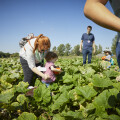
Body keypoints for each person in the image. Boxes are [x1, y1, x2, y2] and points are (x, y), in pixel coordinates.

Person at [84, 0, 120, 71]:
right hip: (85, 48)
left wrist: (94, 48)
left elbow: (93, 42)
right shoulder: (84, 35)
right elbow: (91, 6)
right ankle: (85, 66)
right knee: (85, 58)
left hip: (90, 49)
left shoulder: (92, 35)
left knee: (90, 58)